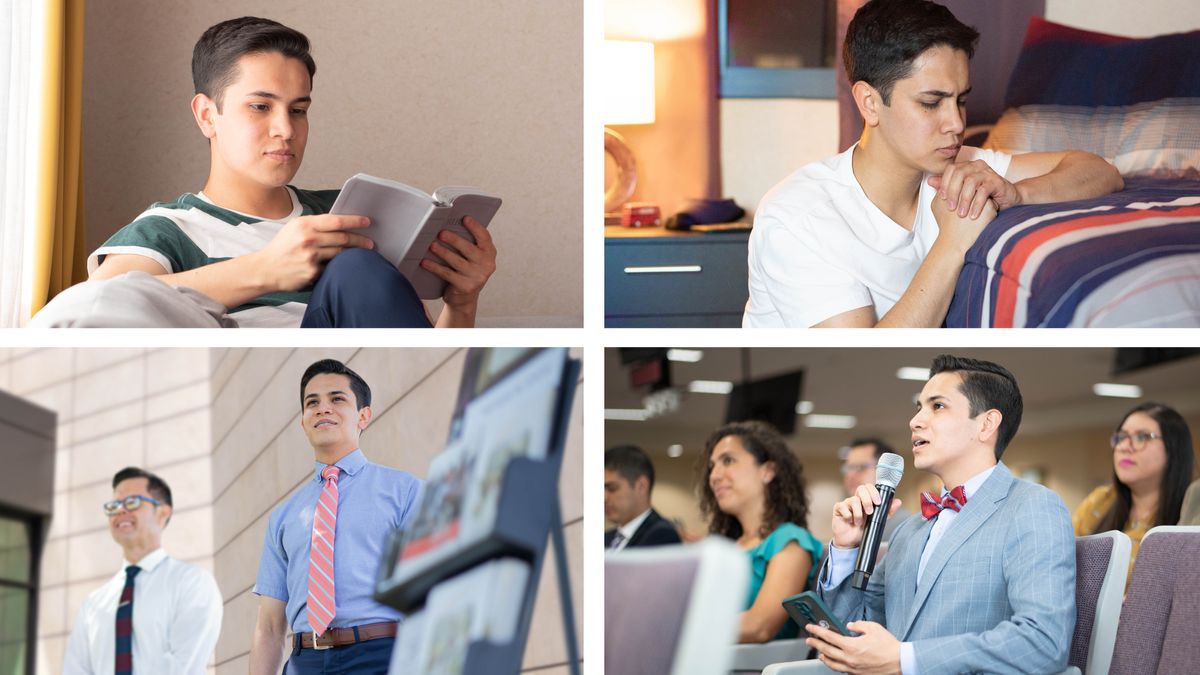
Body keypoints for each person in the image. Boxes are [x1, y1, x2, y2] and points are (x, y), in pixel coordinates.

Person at [34, 17, 495, 328]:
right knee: (355, 266)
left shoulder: (346, 212)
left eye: (299, 110)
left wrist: (461, 301)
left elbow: (422, 357)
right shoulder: (168, 230)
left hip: (364, 386)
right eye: (260, 107)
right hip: (260, 392)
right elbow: (96, 306)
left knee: (358, 267)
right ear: (207, 115)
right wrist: (266, 270)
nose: (285, 130)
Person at [744, 0, 1123, 328]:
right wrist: (954, 242)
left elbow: (1099, 170)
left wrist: (1018, 192)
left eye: (960, 100)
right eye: (931, 103)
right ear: (870, 103)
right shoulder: (796, 217)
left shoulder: (959, 164)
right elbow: (867, 358)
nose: (957, 124)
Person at [807, 354, 1075, 673]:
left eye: (937, 406)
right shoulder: (909, 530)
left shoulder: (1032, 506)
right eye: (919, 407)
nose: (915, 421)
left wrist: (907, 660)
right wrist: (847, 548)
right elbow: (853, 636)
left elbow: (1042, 642)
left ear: (986, 424)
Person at [249, 359, 423, 674]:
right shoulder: (283, 517)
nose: (322, 408)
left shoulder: (405, 491)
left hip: (383, 656)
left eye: (337, 399)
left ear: (364, 416)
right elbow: (270, 627)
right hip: (306, 661)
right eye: (311, 403)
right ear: (303, 422)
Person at [64, 467, 223, 674]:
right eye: (114, 506)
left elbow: (184, 666)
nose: (120, 511)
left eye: (132, 502)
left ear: (163, 513)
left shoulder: (192, 583)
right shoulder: (93, 604)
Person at [699, 420, 824, 643]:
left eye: (728, 460)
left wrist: (679, 629)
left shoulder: (790, 542)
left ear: (767, 471)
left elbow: (759, 626)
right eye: (712, 466)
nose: (714, 476)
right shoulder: (726, 547)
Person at [1073, 402, 1195, 580]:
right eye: (1121, 437)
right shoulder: (1100, 501)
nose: (1124, 447)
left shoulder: (1191, 510)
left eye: (1142, 437)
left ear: (1174, 448)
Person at [604, 445, 682, 550]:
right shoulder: (606, 538)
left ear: (641, 486)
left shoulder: (663, 535)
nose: (604, 497)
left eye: (612, 488)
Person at [840, 438, 913, 542]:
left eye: (861, 467)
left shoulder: (905, 524)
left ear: (887, 470)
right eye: (848, 468)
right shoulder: (847, 520)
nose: (850, 475)